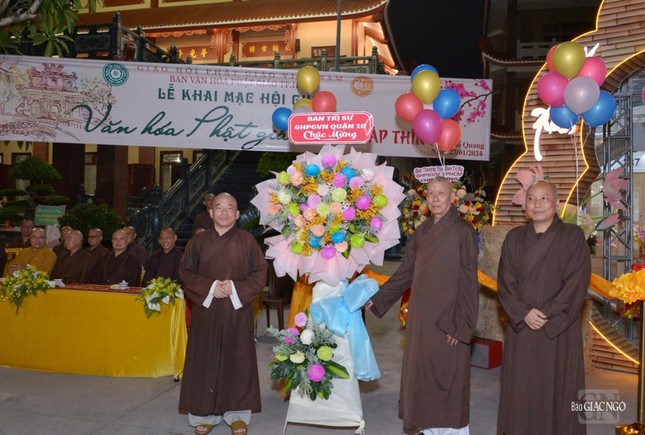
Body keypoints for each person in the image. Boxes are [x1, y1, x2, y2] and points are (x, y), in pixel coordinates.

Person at [366, 176, 479, 435]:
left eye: (441, 193)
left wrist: (461, 325)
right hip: (421, 316)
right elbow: (406, 272)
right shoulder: (423, 231)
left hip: (449, 318)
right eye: (431, 193)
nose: (435, 198)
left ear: (452, 198)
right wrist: (378, 298)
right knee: (422, 375)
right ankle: (427, 428)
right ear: (425, 198)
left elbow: (469, 281)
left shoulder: (464, 231)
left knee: (447, 375)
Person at [496, 180, 590, 435]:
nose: (537, 204)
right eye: (531, 199)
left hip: (558, 329)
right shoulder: (514, 238)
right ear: (525, 206)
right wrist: (523, 313)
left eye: (544, 198)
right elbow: (505, 282)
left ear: (556, 203)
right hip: (523, 327)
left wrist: (546, 313)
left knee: (559, 387)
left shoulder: (573, 236)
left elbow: (577, 282)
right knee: (522, 387)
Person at [178, 192, 268, 435]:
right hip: (206, 309)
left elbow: (260, 273)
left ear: (237, 214)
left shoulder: (248, 241)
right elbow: (186, 272)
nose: (224, 212)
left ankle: (237, 415)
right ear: (211, 212)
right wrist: (211, 287)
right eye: (219, 207)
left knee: (237, 360)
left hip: (236, 310)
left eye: (230, 207)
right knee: (205, 360)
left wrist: (235, 288)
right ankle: (205, 414)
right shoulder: (198, 242)